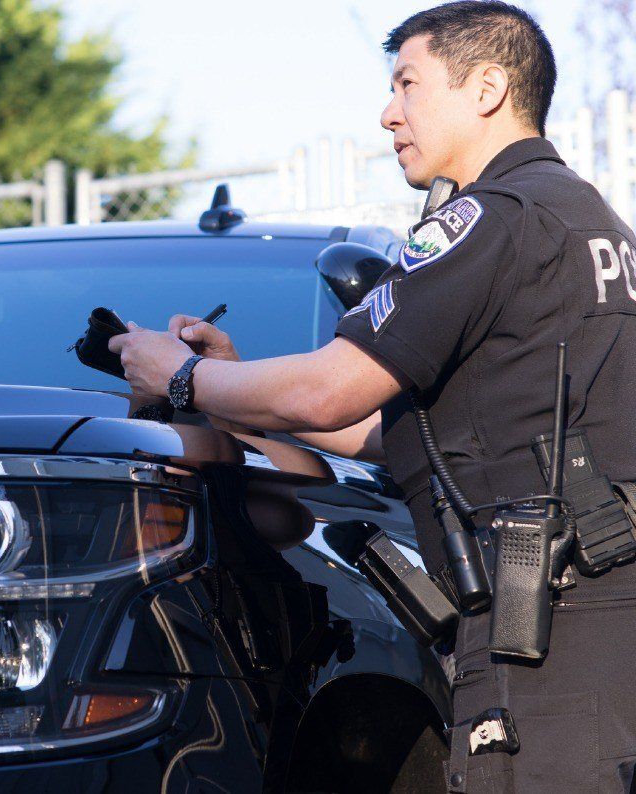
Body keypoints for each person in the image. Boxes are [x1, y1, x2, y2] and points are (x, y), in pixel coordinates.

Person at [109, 2, 636, 790]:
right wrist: (231, 394)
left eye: (407, 84)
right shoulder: (584, 218)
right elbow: (423, 435)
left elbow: (327, 390)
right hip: (595, 619)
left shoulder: (487, 217)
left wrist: (176, 376)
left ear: (487, 87)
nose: (389, 113)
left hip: (550, 625)